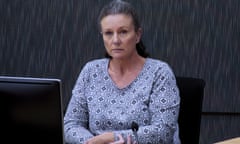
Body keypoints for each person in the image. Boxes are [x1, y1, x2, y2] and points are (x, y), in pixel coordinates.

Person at [64, 0, 181, 144]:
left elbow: (163, 131)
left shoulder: (159, 72)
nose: (115, 40)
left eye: (123, 32)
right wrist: (92, 142)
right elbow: (71, 124)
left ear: (137, 35)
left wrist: (112, 138)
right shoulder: (90, 70)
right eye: (108, 33)